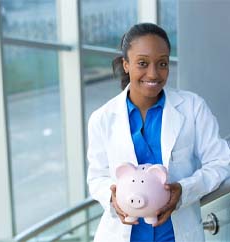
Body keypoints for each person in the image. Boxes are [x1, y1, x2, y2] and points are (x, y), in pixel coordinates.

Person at [86, 23, 230, 242]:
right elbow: (97, 177)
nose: (153, 73)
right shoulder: (102, 118)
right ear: (126, 64)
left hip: (176, 234)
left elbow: (221, 162)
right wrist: (113, 197)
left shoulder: (192, 107)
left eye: (162, 63)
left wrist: (184, 190)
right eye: (142, 63)